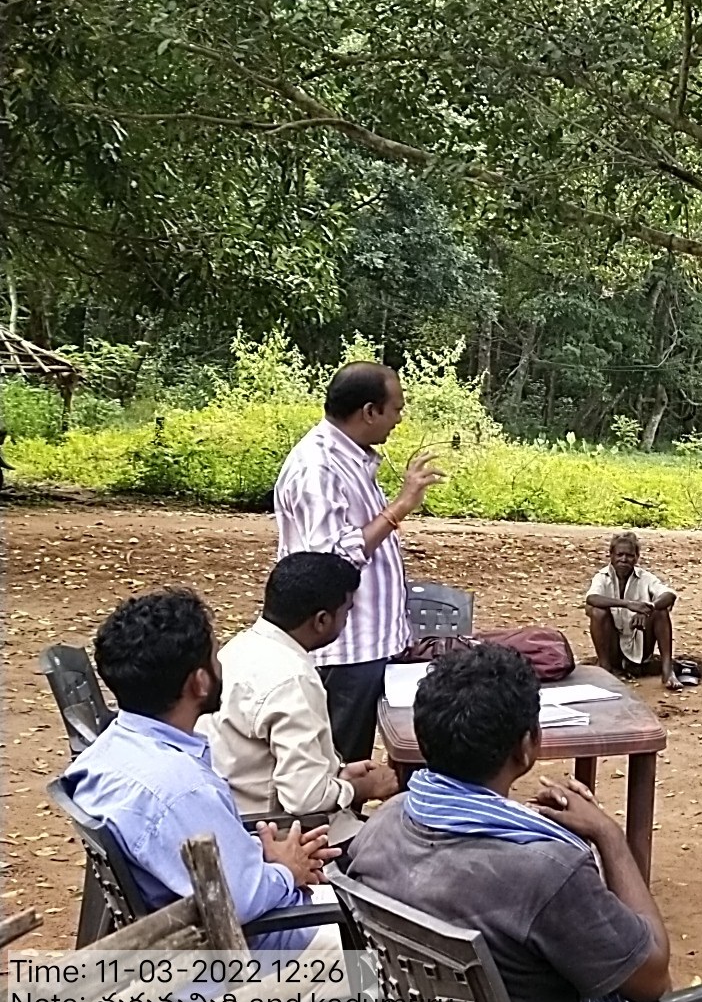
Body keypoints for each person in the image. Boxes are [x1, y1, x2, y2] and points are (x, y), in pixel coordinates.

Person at [344, 645, 702, 1002]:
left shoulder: (384, 824)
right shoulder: (546, 871)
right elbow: (652, 979)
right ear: (528, 747)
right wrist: (608, 835)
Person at [62, 590, 339, 951]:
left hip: (184, 930)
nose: (221, 665)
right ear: (199, 683)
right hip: (239, 958)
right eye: (215, 657)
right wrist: (288, 872)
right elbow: (240, 903)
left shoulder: (110, 750)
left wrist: (259, 856)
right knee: (368, 940)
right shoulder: (182, 789)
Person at [274, 361, 444, 763]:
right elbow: (331, 560)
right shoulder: (318, 467)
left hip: (373, 643)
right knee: (343, 763)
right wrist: (400, 506)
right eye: (396, 409)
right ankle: (339, 826)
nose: (400, 419)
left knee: (366, 755)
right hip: (347, 650)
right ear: (369, 411)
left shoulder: (350, 458)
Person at [204, 552, 400, 844]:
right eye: (347, 611)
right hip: (277, 834)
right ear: (321, 620)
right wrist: (361, 789)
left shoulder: (239, 649)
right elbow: (305, 800)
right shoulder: (292, 678)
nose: (347, 620)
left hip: (232, 814)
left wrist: (340, 774)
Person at [585, 532, 688, 688]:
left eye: (629, 555)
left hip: (640, 644)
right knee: (597, 611)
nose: (624, 559)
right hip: (613, 647)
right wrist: (628, 604)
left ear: (637, 557)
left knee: (660, 611)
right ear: (611, 555)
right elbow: (591, 598)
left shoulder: (645, 577)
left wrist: (648, 608)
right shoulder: (602, 577)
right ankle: (606, 667)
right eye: (620, 555)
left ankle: (667, 670)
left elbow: (669, 595)